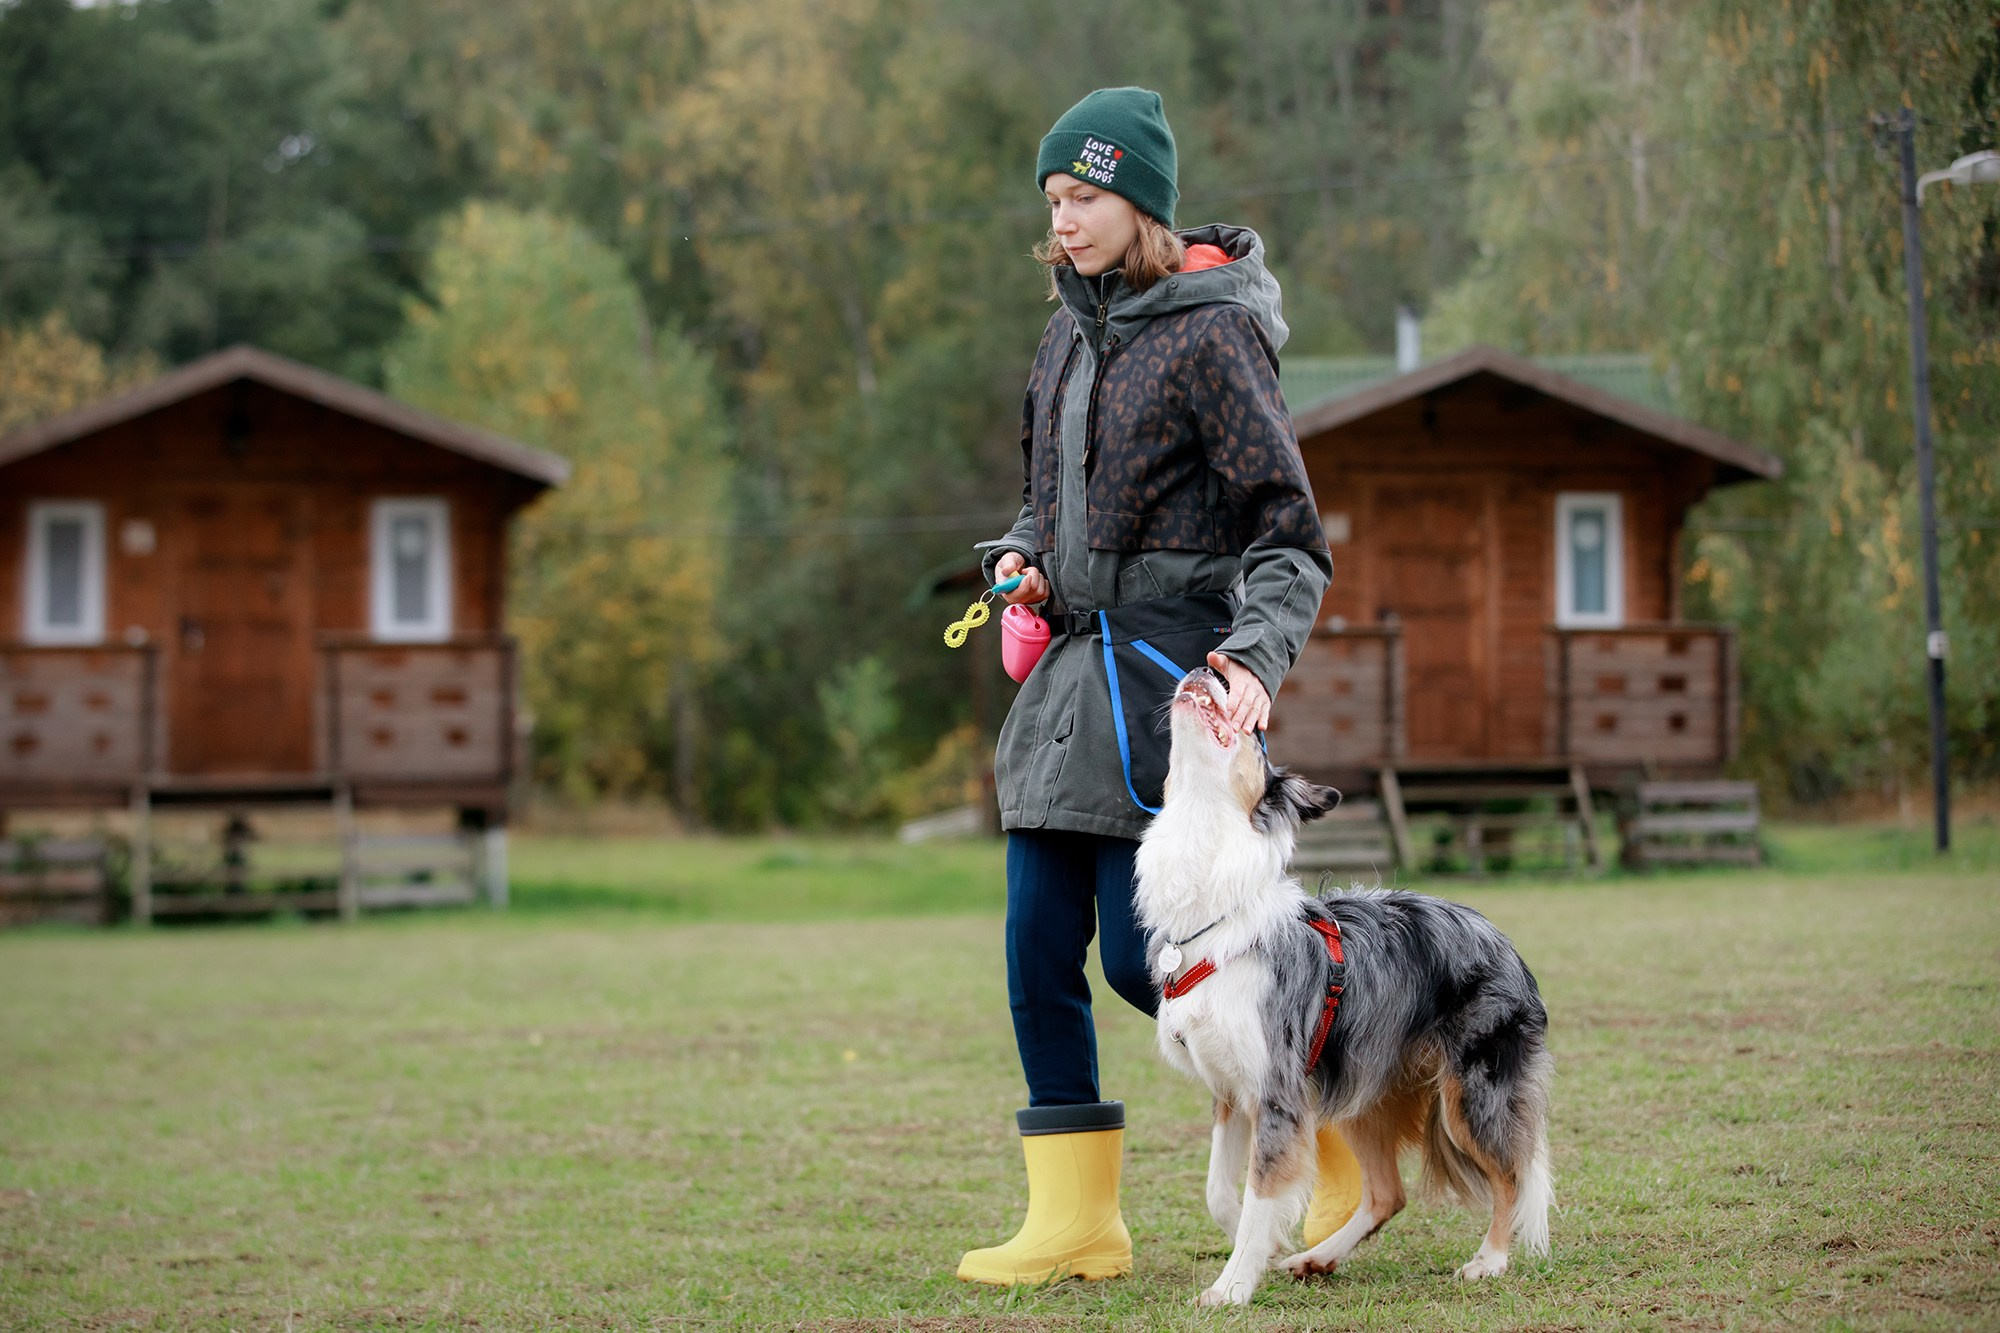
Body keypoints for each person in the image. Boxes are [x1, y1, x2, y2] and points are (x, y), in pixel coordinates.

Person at [956, 86, 1360, 1286]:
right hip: (1065, 686)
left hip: (1168, 690)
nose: (1061, 222)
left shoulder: (1213, 334)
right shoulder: (1063, 332)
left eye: (1080, 198)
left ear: (1137, 199)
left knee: (1146, 965)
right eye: (1050, 201)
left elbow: (1287, 535)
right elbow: (1042, 497)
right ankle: (1077, 1223)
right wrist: (1022, 560)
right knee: (1037, 947)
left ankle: (1319, 1124)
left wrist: (1250, 657)